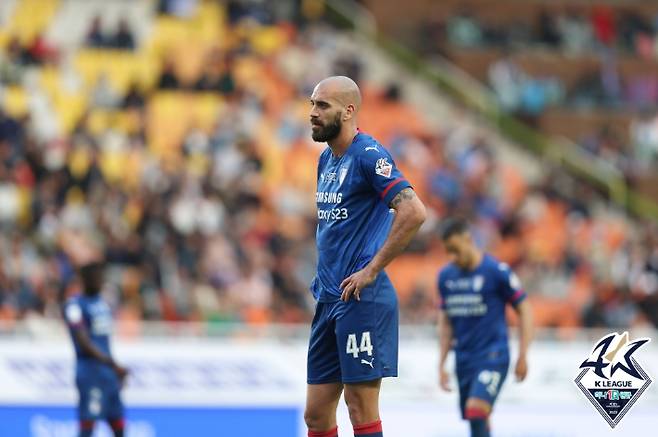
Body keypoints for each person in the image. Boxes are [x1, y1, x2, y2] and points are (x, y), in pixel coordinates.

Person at [305, 76, 427, 437]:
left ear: (348, 110)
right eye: (312, 104)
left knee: (359, 406)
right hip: (329, 298)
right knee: (315, 414)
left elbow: (413, 211)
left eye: (322, 105)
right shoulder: (327, 158)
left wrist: (372, 269)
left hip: (361, 298)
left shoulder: (368, 155)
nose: (312, 112)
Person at [437, 218, 533, 437]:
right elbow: (445, 323)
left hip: (493, 354)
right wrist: (441, 363)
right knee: (476, 418)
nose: (452, 257)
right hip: (464, 359)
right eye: (448, 252)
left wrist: (523, 354)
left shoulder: (496, 271)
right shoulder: (445, 277)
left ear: (468, 240)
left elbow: (525, 309)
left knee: (476, 409)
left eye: (455, 250)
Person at [63, 262, 128, 437]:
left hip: (108, 375)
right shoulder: (74, 306)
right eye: (96, 277)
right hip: (90, 374)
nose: (100, 281)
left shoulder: (102, 304)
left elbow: (105, 343)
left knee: (119, 426)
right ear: (85, 280)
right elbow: (84, 343)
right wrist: (113, 365)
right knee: (88, 427)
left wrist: (114, 371)